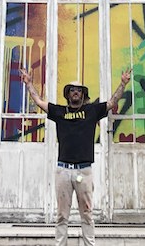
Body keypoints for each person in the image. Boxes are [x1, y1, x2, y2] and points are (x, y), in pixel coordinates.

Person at [20, 67, 131, 246]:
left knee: (87, 214)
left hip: (84, 170)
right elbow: (39, 101)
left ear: (83, 94)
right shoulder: (59, 112)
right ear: (68, 94)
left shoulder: (92, 110)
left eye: (79, 90)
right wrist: (28, 83)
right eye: (72, 90)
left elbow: (112, 102)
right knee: (62, 215)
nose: (76, 93)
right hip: (63, 170)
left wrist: (123, 83)